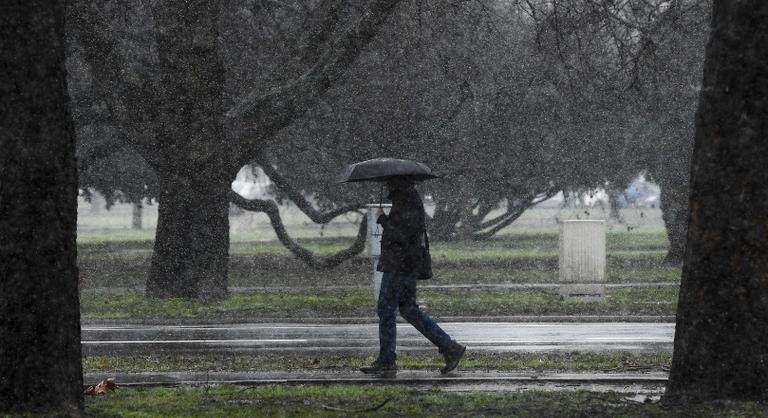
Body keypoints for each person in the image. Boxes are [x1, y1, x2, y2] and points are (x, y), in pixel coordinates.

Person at [360, 177, 465, 377]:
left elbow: (401, 234)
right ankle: (450, 347)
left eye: (387, 182)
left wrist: (382, 219)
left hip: (400, 264)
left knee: (386, 308)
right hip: (406, 263)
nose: (385, 185)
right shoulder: (407, 198)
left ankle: (386, 360)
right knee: (409, 309)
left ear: (397, 182)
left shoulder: (407, 200)